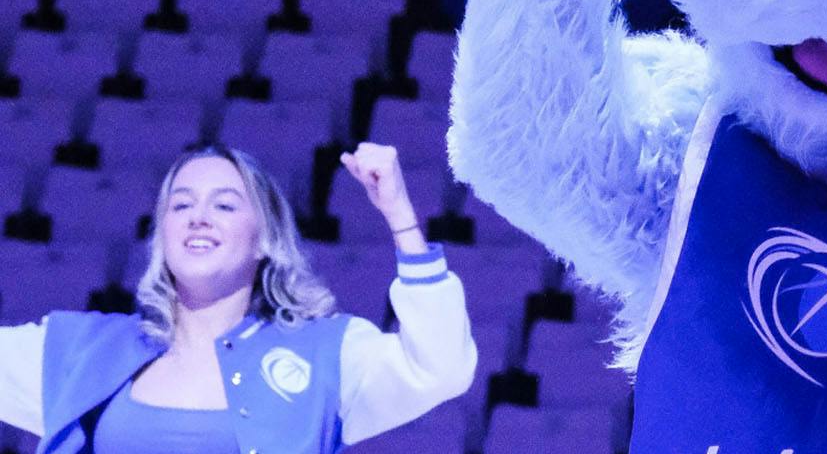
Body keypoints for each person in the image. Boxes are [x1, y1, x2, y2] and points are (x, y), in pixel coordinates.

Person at [0, 141, 476, 452]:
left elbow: (440, 367)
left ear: (265, 238)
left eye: (224, 205)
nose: (198, 217)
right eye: (181, 204)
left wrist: (400, 215)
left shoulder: (325, 355)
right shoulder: (80, 351)